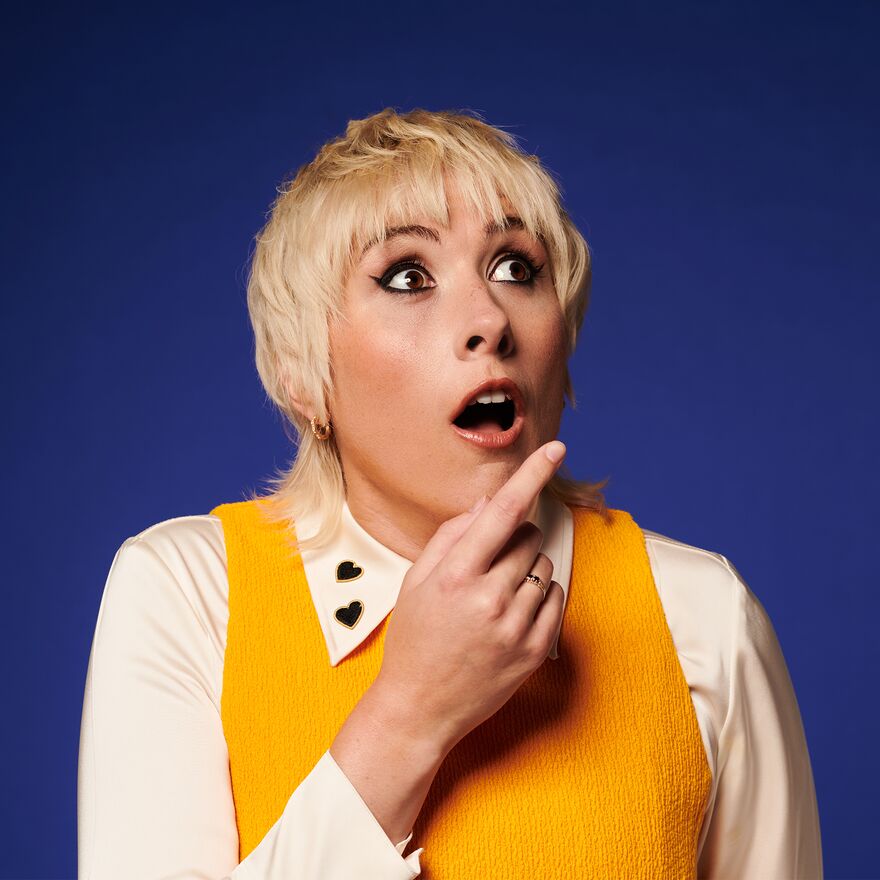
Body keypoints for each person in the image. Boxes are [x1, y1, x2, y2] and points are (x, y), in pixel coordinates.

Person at [77, 108, 823, 879]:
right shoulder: (190, 594)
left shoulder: (703, 615)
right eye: (407, 277)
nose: (488, 321)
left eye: (516, 269)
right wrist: (407, 716)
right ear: (303, 375)